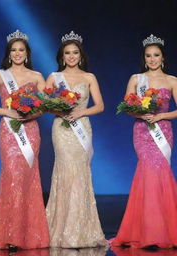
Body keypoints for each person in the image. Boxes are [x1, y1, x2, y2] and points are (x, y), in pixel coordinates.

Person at [0, 30, 49, 250]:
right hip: (9, 132)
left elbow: (46, 106)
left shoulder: (37, 76)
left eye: (21, 50)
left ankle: (28, 236)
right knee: (11, 177)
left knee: (28, 179)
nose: (17, 54)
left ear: (27, 53)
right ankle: (9, 234)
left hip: (30, 131)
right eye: (14, 50)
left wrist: (31, 113)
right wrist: (8, 112)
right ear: (9, 54)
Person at [111, 34, 177, 248]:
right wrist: (141, 114)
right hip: (142, 131)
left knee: (161, 173)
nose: (152, 59)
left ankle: (166, 231)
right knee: (147, 172)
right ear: (144, 58)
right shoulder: (136, 79)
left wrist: (160, 116)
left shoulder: (172, 81)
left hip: (162, 131)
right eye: (148, 56)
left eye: (156, 55)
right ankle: (146, 231)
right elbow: (126, 106)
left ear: (163, 57)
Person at [45, 31, 107, 248]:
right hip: (61, 129)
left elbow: (100, 106)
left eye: (75, 52)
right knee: (64, 171)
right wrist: (59, 108)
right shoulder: (54, 77)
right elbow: (43, 104)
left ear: (80, 55)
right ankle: (61, 231)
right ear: (62, 56)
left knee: (80, 173)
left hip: (81, 127)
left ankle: (81, 230)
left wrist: (81, 112)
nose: (71, 56)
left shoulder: (89, 78)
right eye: (67, 53)